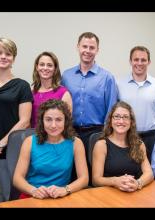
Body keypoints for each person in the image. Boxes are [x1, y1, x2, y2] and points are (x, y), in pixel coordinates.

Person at [61, 32, 118, 178]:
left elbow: (112, 109)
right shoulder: (66, 76)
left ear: (97, 50)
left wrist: (106, 135)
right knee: (72, 174)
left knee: (95, 174)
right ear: (78, 47)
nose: (87, 50)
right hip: (70, 132)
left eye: (92, 47)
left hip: (96, 133)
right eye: (84, 46)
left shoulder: (107, 77)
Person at [13, 99, 88, 199]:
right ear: (42, 121)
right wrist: (33, 190)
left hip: (61, 196)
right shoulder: (29, 142)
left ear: (65, 121)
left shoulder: (76, 143)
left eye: (58, 120)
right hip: (32, 195)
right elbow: (17, 179)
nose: (53, 125)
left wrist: (65, 189)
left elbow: (84, 178)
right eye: (48, 119)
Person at [0, 37, 33, 201]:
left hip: (10, 151)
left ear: (13, 58)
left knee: (10, 198)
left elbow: (24, 121)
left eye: (8, 54)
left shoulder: (22, 86)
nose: (3, 56)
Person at [117, 46, 155, 162]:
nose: (139, 63)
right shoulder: (119, 84)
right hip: (126, 137)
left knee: (152, 173)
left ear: (149, 62)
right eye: (136, 59)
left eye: (143, 60)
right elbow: (114, 114)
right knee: (128, 172)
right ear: (130, 61)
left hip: (151, 138)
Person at [92, 101, 154, 192]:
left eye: (125, 117)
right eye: (117, 116)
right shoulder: (101, 145)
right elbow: (96, 180)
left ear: (131, 121)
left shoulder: (139, 144)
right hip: (109, 193)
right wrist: (115, 181)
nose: (121, 121)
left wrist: (138, 183)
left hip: (134, 193)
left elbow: (149, 173)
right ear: (110, 120)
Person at [31, 51, 72, 128]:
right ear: (37, 67)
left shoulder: (63, 93)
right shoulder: (31, 93)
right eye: (42, 64)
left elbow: (67, 123)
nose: (45, 68)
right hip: (33, 137)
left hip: (55, 138)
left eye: (49, 65)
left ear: (55, 69)